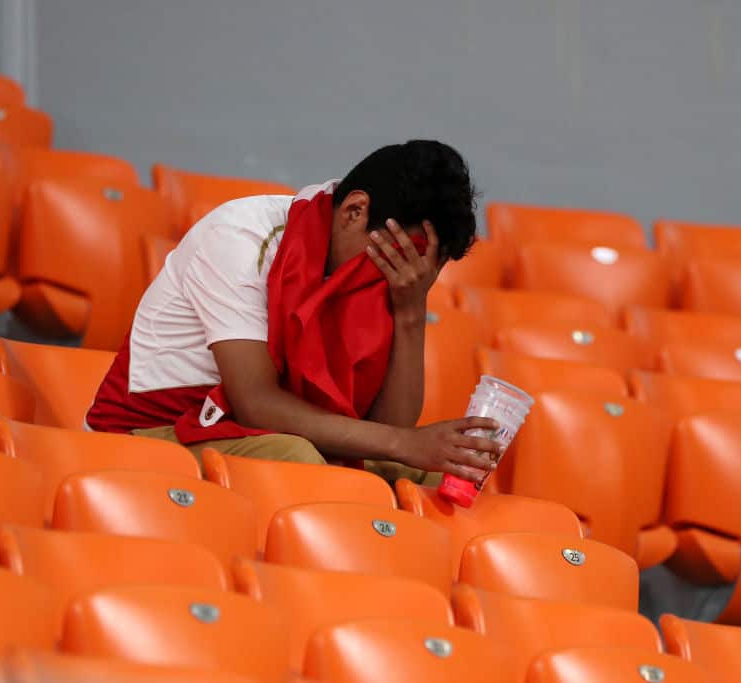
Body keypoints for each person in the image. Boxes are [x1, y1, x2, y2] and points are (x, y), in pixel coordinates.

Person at [86, 140, 500, 485]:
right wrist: (401, 444)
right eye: (404, 255)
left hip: (258, 435)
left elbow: (391, 425)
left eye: (428, 268)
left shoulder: (391, 277)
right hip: (145, 433)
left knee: (431, 479)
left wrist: (411, 311)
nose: (412, 274)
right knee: (296, 458)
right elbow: (256, 404)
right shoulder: (241, 236)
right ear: (354, 211)